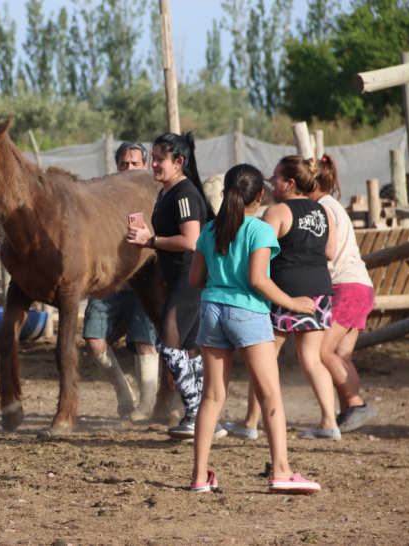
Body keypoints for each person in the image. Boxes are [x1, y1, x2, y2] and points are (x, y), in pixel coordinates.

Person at [188, 163, 320, 495]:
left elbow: (194, 280)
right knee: (269, 394)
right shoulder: (259, 230)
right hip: (247, 314)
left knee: (212, 396)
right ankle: (281, 471)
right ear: (259, 195)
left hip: (211, 310)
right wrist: (294, 303)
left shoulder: (208, 231)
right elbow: (259, 280)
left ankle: (200, 477)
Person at [227, 155, 339, 440]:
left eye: (275, 176)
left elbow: (260, 251)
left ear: (289, 183)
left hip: (284, 291)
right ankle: (329, 422)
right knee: (312, 360)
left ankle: (250, 423)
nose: (271, 181)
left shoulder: (277, 212)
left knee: (262, 358)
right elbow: (330, 252)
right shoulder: (323, 211)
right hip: (319, 291)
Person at [127, 132, 225, 440]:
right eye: (152, 158)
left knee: (168, 347)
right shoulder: (167, 192)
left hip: (189, 279)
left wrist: (151, 240)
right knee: (189, 350)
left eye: (159, 159)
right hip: (180, 279)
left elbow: (191, 240)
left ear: (178, 162)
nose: (153, 164)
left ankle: (197, 414)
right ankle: (209, 418)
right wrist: (146, 233)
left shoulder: (183, 193)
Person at [83, 142, 160, 421]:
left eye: (134, 164)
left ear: (145, 166)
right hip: (108, 282)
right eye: (123, 164)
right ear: (116, 166)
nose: (128, 169)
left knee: (144, 341)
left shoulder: (155, 196)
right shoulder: (102, 198)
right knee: (93, 340)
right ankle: (123, 392)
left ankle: (148, 404)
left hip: (143, 282)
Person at [307, 155, 377, 432]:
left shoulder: (323, 209)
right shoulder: (331, 205)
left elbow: (328, 251)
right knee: (340, 353)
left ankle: (357, 405)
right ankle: (351, 410)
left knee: (324, 351)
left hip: (346, 287)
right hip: (359, 286)